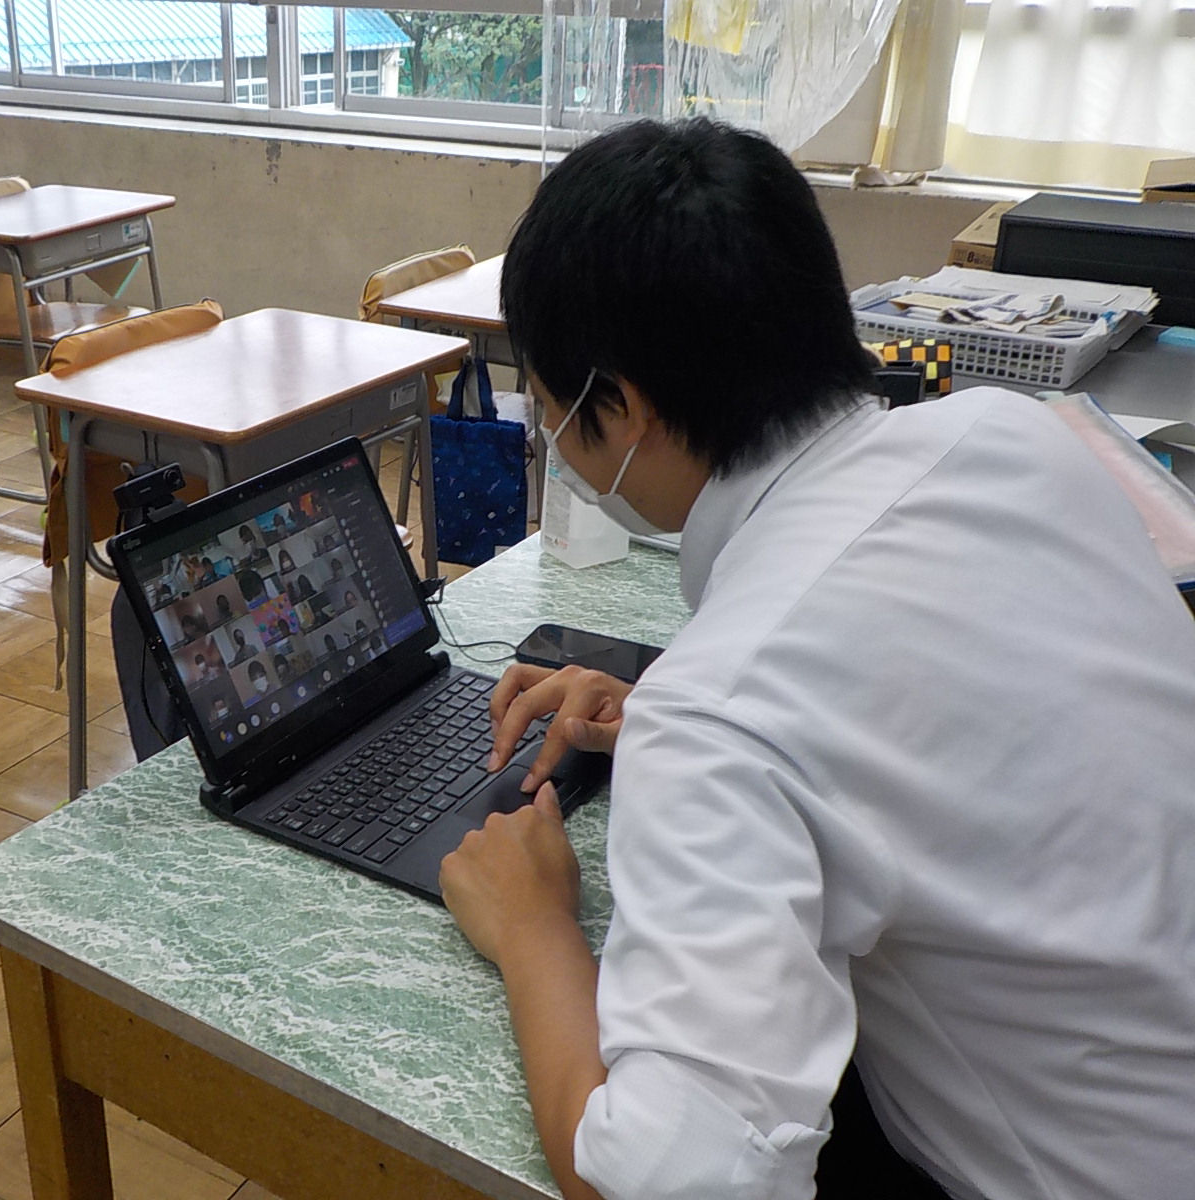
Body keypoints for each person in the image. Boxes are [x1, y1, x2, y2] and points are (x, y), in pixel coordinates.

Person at [437, 118, 1195, 1200]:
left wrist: (534, 930)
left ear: (627, 409)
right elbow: (967, 698)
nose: (547, 432)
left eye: (549, 405)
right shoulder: (1011, 436)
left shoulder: (726, 715)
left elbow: (671, 1182)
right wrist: (686, 713)